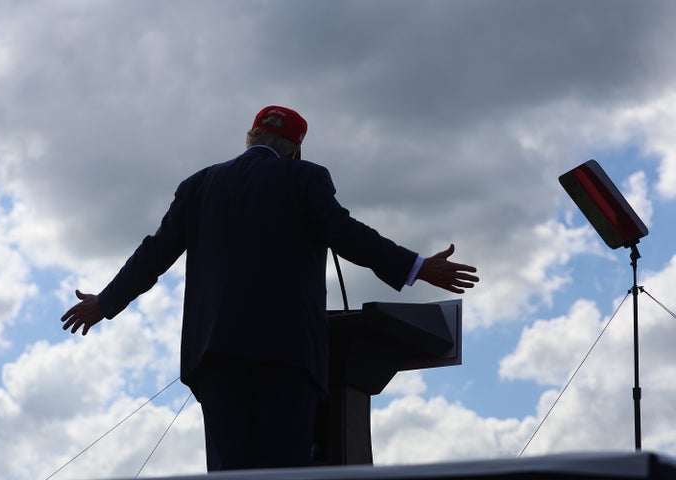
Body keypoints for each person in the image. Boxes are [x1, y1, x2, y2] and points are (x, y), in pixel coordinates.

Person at [60, 105, 479, 471]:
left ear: (251, 138)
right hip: (288, 356)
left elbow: (155, 254)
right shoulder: (305, 178)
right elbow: (346, 234)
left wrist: (105, 303)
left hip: (215, 356)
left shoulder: (199, 186)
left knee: (232, 474)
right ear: (295, 148)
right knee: (283, 472)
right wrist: (417, 267)